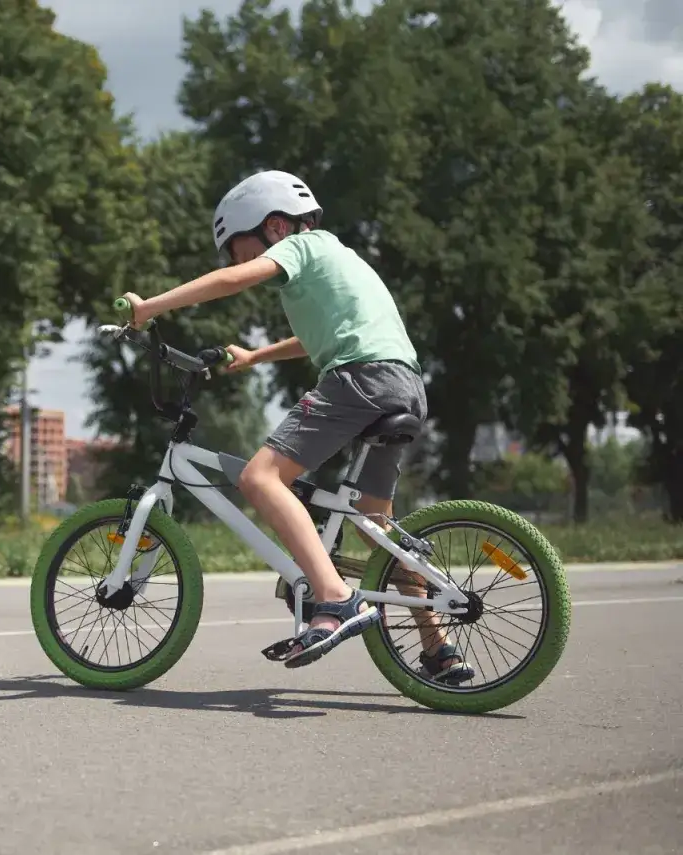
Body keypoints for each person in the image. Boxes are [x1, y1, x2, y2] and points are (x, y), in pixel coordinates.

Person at [119, 169, 473, 682]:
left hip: (360, 379)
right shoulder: (337, 259)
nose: (239, 260)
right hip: (403, 383)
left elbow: (231, 282)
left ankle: (334, 596)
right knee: (376, 530)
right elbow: (313, 340)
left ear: (276, 226)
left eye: (240, 246)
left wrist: (148, 307)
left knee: (260, 478)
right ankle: (438, 647)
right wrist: (257, 356)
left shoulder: (302, 248)